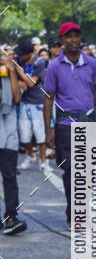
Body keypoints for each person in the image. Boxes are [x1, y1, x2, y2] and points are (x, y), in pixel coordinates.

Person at [43, 22, 96, 228]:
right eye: (69, 36)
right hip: (66, 124)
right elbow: (49, 99)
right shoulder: (55, 66)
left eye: (76, 36)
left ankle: (82, 210)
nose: (73, 39)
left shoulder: (92, 63)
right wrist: (49, 130)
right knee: (72, 170)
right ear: (62, 39)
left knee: (89, 170)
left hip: (90, 121)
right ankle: (74, 214)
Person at [0, 50, 27, 234]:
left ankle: (11, 218)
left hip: (8, 129)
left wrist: (10, 71)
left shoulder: (7, 70)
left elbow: (17, 98)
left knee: (9, 177)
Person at [13, 40, 49, 172]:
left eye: (22, 54)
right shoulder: (19, 60)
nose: (19, 56)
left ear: (29, 54)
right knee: (24, 133)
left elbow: (31, 83)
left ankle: (44, 161)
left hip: (37, 102)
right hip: (24, 101)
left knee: (40, 133)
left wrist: (21, 73)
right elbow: (19, 83)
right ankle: (30, 155)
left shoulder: (39, 62)